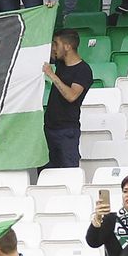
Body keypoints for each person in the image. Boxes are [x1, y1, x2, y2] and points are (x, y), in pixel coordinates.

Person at [43, 28, 92, 169]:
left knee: (68, 172)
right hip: (48, 128)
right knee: (46, 174)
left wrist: (52, 75)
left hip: (66, 131)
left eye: (56, 44)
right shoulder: (60, 63)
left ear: (67, 46)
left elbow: (71, 96)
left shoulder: (83, 70)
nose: (53, 48)